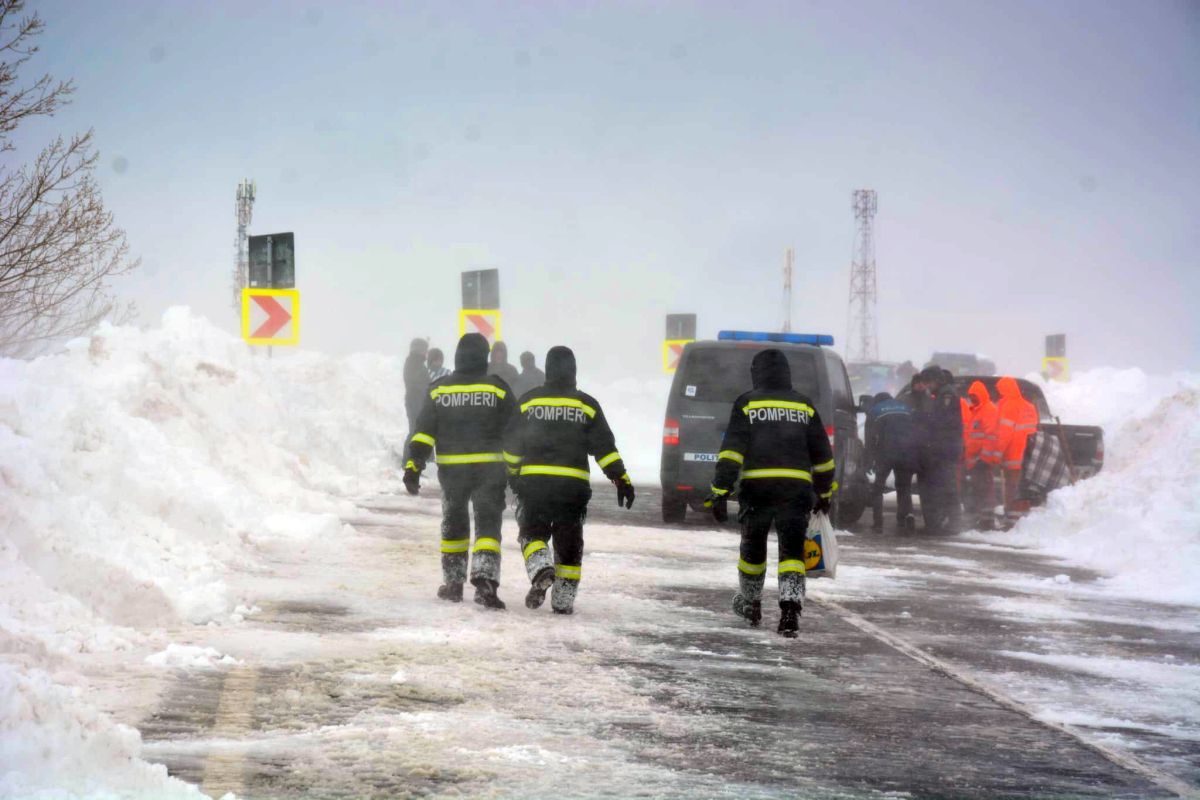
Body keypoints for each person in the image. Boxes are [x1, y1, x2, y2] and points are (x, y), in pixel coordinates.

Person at [704, 349, 835, 638]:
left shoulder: (747, 403)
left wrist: (721, 490)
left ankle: (751, 604)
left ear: (757, 373)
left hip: (757, 490)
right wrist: (825, 492)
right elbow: (823, 456)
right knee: (792, 552)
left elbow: (732, 452)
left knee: (753, 550)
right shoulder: (804, 405)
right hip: (796, 491)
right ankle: (790, 613)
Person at [502, 346, 634, 615]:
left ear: (548, 370)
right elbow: (605, 449)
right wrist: (621, 479)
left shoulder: (529, 402)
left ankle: (541, 567)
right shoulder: (587, 405)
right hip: (572, 489)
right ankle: (563, 600)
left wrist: (513, 473)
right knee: (569, 543)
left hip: (535, 485)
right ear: (573, 370)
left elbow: (512, 445)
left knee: (532, 533)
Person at [404, 334, 516, 609]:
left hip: (452, 471)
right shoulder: (497, 388)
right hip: (489, 470)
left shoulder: (439, 389)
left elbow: (423, 432)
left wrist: (413, 465)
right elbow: (515, 431)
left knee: (454, 522)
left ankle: (453, 584)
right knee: (488, 524)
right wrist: (517, 468)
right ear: (484, 357)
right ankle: (485, 579)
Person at [913, 368, 963, 533]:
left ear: (936, 380)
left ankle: (953, 523)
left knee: (947, 486)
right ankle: (945, 522)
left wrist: (925, 419)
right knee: (943, 485)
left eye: (928, 382)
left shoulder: (946, 395)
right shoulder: (942, 394)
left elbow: (943, 422)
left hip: (946, 448)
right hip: (945, 447)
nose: (927, 386)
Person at [864, 391, 919, 531]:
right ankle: (906, 516)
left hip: (885, 453)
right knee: (904, 487)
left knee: (878, 488)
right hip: (906, 453)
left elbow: (870, 439)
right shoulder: (905, 408)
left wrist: (869, 460)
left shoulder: (875, 411)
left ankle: (878, 523)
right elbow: (917, 432)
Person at [994, 376, 1038, 522]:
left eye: (1000, 390)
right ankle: (1022, 515)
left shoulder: (1009, 406)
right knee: (1023, 485)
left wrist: (997, 453)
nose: (999, 393)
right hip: (1028, 453)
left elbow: (1004, 433)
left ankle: (1011, 517)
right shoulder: (1029, 406)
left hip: (1012, 454)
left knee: (1011, 486)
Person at [963, 380, 1001, 528]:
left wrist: (984, 458)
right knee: (979, 488)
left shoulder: (989, 410)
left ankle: (987, 519)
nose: (972, 399)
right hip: (975, 460)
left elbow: (991, 436)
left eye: (975, 396)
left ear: (982, 395)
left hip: (982, 459)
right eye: (971, 396)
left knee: (985, 488)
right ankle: (982, 517)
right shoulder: (976, 411)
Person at [403, 338, 430, 436]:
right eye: (425, 349)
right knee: (416, 432)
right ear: (419, 350)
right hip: (416, 402)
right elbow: (420, 384)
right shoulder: (415, 365)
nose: (426, 353)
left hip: (415, 401)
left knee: (416, 431)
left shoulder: (413, 363)